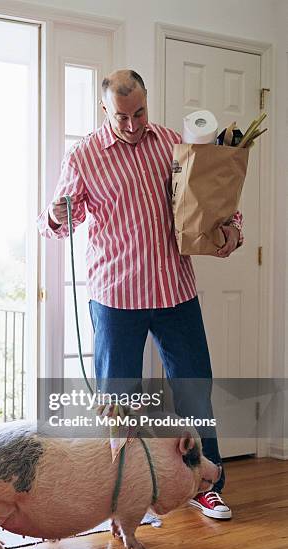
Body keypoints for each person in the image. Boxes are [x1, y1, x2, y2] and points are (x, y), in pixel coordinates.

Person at [37, 69, 243, 520]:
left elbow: (212, 196)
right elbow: (56, 226)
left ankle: (207, 486)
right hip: (115, 298)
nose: (133, 124)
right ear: (104, 110)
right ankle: (120, 495)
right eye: (122, 116)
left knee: (194, 393)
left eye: (140, 113)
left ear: (148, 102)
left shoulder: (173, 143)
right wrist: (55, 215)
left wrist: (231, 229)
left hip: (175, 292)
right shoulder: (84, 156)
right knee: (118, 404)